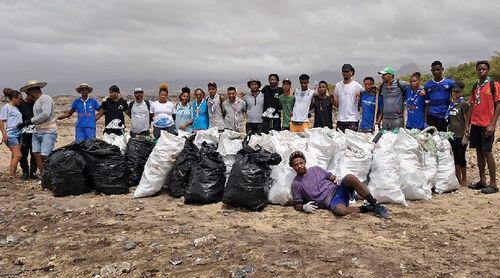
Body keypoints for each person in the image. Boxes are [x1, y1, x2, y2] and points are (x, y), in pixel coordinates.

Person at [289, 151, 390, 218]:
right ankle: (366, 208)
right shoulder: (296, 184)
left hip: (338, 190)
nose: (299, 166)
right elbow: (298, 204)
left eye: (301, 163)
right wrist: (303, 207)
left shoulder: (316, 169)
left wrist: (338, 179)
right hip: (332, 201)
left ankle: (375, 205)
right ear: (292, 167)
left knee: (350, 177)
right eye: (296, 165)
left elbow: (331, 177)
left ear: (305, 162)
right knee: (340, 211)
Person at [466, 61, 500, 194]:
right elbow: (472, 104)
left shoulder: (493, 84)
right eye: (479, 69)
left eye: (484, 69)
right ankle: (482, 180)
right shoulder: (476, 86)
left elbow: (498, 104)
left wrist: (492, 124)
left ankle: (493, 183)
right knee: (478, 152)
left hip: (487, 124)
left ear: (488, 70)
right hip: (475, 123)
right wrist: (468, 124)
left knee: (487, 152)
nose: (481, 71)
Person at [18, 80, 57, 175]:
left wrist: (29, 121)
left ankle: (50, 174)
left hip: (48, 130)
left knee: (45, 155)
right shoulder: (36, 102)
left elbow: (46, 114)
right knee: (36, 154)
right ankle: (44, 175)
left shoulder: (46, 99)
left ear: (32, 92)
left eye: (28, 93)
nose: (27, 95)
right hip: (37, 131)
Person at [447, 82, 469, 187]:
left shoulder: (463, 104)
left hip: (461, 134)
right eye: (453, 91)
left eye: (457, 92)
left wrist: (466, 131)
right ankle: (457, 177)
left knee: (461, 156)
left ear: (461, 92)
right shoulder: (451, 103)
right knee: (455, 156)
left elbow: (466, 119)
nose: (455, 94)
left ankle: (464, 178)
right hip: (452, 134)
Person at [424, 61, 455, 132]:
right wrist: (425, 121)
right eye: (434, 70)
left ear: (442, 69)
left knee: (444, 139)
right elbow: (427, 103)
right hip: (432, 116)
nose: (436, 72)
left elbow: (456, 98)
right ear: (431, 71)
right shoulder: (427, 85)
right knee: (432, 139)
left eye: (438, 69)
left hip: (444, 116)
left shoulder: (450, 83)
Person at [1, 89, 24, 178]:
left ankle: (12, 174)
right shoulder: (6, 107)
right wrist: (4, 134)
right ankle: (11, 176)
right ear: (14, 98)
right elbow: (1, 121)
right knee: (18, 155)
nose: (21, 100)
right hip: (11, 134)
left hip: (19, 134)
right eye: (19, 99)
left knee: (15, 155)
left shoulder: (16, 107)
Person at [378, 66, 410, 131]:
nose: (382, 76)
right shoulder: (382, 86)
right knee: (385, 139)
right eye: (382, 75)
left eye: (384, 74)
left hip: (397, 119)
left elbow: (414, 85)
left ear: (391, 75)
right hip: (385, 119)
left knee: (396, 139)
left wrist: (423, 89)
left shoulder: (400, 84)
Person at [333, 64, 364, 132]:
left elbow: (366, 92)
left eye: (347, 71)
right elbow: (335, 96)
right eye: (343, 71)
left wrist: (361, 93)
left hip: (353, 119)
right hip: (340, 119)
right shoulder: (338, 85)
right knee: (339, 141)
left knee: (350, 141)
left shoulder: (356, 85)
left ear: (351, 72)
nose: (345, 73)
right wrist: (335, 100)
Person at [17, 92, 37, 180]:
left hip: (36, 132)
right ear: (28, 94)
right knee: (23, 154)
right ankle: (25, 171)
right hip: (24, 132)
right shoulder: (21, 104)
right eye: (32, 94)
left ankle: (33, 172)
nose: (33, 96)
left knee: (34, 153)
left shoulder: (37, 104)